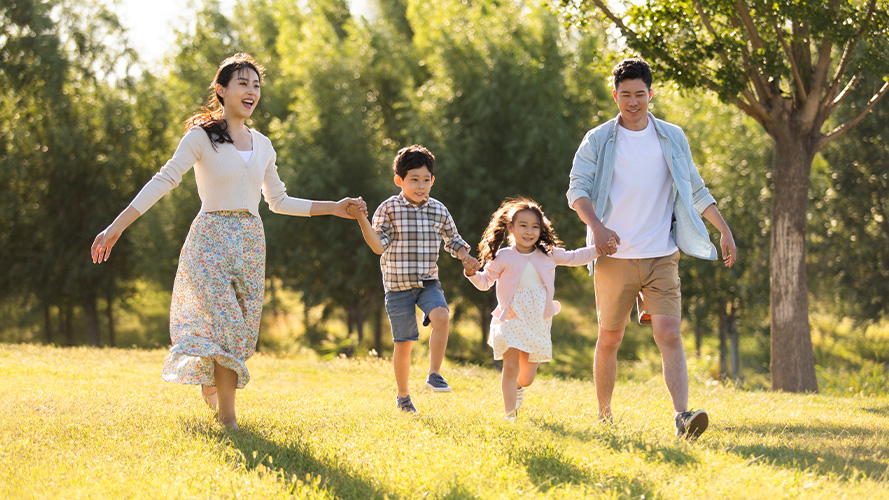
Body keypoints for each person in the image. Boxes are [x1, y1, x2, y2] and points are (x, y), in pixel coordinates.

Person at [90, 53, 364, 430]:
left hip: (251, 241)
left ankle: (212, 377)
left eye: (256, 85)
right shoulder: (200, 137)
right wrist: (117, 226)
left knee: (242, 330)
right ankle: (228, 419)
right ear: (221, 90)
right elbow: (164, 180)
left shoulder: (264, 145)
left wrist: (334, 207)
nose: (252, 91)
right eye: (243, 84)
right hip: (210, 239)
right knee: (228, 324)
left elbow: (278, 201)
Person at [567, 58, 736, 439]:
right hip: (614, 255)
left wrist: (722, 230)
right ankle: (604, 415)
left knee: (669, 333)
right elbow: (577, 189)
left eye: (639, 94)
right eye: (625, 95)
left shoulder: (672, 137)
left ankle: (682, 417)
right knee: (610, 337)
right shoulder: (598, 139)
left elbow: (695, 189)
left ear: (650, 94)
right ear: (615, 95)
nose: (632, 102)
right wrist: (596, 227)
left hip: (662, 253)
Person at [347, 144, 480, 413]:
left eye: (426, 179)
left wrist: (466, 255)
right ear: (400, 180)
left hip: (428, 281)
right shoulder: (388, 209)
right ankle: (403, 396)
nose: (421, 186)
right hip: (397, 287)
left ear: (433, 180)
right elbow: (377, 246)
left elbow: (453, 240)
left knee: (442, 316)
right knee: (404, 343)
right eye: (414, 180)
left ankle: (434, 373)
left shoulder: (438, 210)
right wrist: (362, 218)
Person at [464, 198, 602, 422]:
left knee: (526, 378)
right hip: (510, 318)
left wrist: (599, 249)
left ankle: (518, 388)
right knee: (510, 366)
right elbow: (484, 282)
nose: (529, 231)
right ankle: (509, 415)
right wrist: (471, 273)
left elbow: (576, 257)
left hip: (537, 320)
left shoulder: (548, 253)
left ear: (541, 229)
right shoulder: (503, 257)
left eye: (535, 226)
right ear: (511, 228)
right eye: (523, 225)